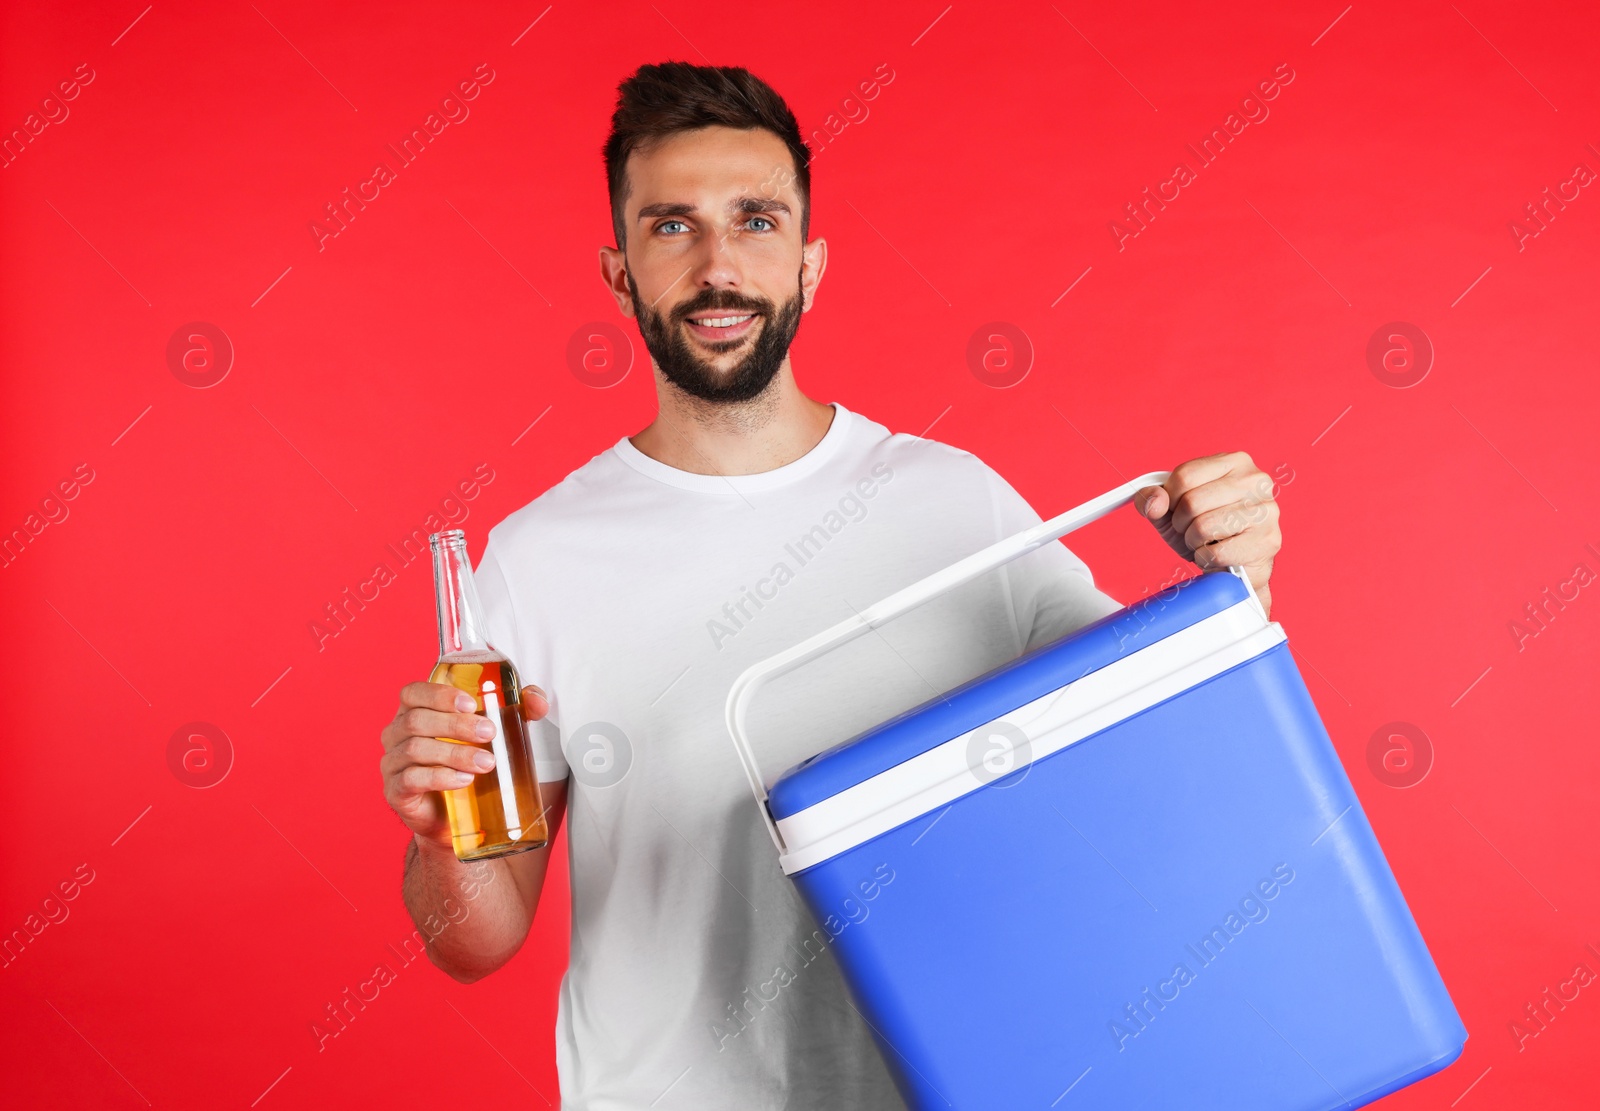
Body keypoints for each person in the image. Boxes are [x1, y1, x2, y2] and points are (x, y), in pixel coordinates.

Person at [379, 60, 1282, 1110]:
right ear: (619, 272)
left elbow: (1158, 767)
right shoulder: (536, 557)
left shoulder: (956, 504)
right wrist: (440, 837)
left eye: (755, 220)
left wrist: (1233, 584)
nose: (718, 266)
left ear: (808, 264)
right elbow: (474, 940)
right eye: (671, 226)